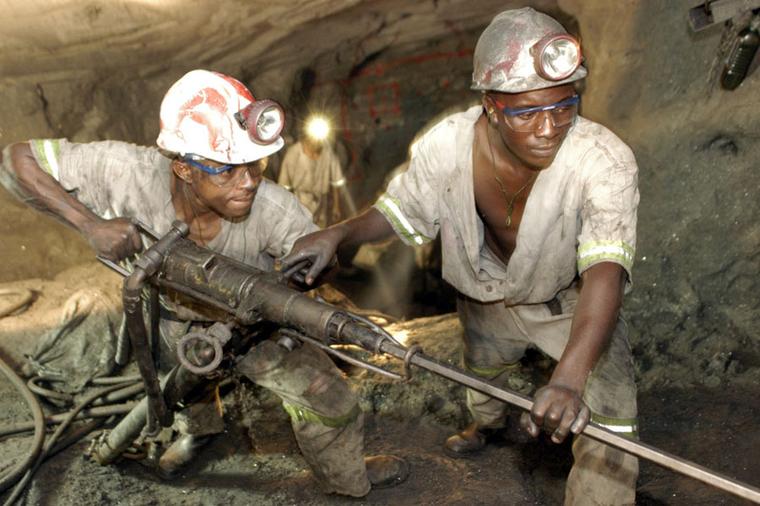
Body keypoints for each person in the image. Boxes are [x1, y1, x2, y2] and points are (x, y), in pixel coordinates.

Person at [282, 8, 639, 505]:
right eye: (527, 112)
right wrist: (338, 233)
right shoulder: (447, 145)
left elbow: (606, 270)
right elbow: (401, 209)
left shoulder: (603, 159)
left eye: (564, 106)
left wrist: (569, 379)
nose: (549, 127)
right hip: (485, 295)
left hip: (570, 302)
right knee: (484, 378)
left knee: (613, 420)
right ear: (491, 106)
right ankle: (487, 427)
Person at [0, 69, 407, 497]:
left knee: (331, 402)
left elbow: (318, 272)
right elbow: (15, 160)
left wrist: (320, 270)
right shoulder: (126, 171)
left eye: (255, 165)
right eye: (228, 171)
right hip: (169, 317)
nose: (248, 181)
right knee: (180, 388)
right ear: (183, 168)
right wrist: (88, 224)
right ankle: (198, 431)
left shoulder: (275, 210)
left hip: (254, 324)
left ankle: (345, 479)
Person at [278, 116, 347, 228]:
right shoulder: (294, 153)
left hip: (320, 204)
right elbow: (283, 185)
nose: (317, 142)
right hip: (300, 203)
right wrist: (284, 210)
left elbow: (337, 181)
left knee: (319, 234)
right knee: (300, 234)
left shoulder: (328, 154)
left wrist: (336, 206)